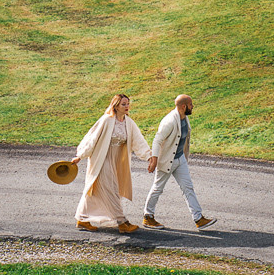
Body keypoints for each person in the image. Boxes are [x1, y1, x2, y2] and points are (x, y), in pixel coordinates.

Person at [72, 94, 155, 233]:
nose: (127, 106)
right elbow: (91, 139)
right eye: (123, 104)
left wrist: (149, 157)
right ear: (116, 106)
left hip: (117, 161)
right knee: (112, 190)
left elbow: (138, 141)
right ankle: (122, 222)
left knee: (97, 190)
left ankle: (82, 219)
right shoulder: (106, 120)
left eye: (128, 103)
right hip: (102, 160)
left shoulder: (129, 123)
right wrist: (80, 155)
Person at [143, 93, 216, 230]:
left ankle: (198, 218)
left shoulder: (184, 117)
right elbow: (157, 140)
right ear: (184, 106)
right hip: (167, 161)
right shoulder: (169, 121)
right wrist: (154, 159)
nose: (193, 106)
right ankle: (148, 217)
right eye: (191, 104)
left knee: (188, 187)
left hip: (180, 159)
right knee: (158, 188)